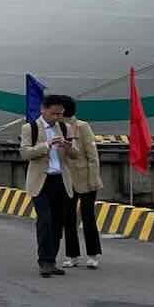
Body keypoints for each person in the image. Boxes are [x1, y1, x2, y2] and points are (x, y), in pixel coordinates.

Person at [21, 96, 77, 278]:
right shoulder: (31, 128)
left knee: (57, 222)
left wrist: (68, 146)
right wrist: (46, 145)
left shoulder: (65, 128)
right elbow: (25, 153)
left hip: (61, 179)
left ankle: (52, 260)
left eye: (60, 114)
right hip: (41, 182)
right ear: (43, 110)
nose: (57, 117)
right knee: (45, 220)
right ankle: (44, 261)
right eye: (54, 113)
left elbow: (75, 155)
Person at [56, 95, 102, 269]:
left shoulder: (82, 127)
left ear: (64, 111)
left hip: (86, 179)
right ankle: (72, 255)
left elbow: (92, 156)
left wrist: (93, 179)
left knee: (88, 217)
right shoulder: (56, 128)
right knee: (68, 218)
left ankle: (93, 254)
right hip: (67, 179)